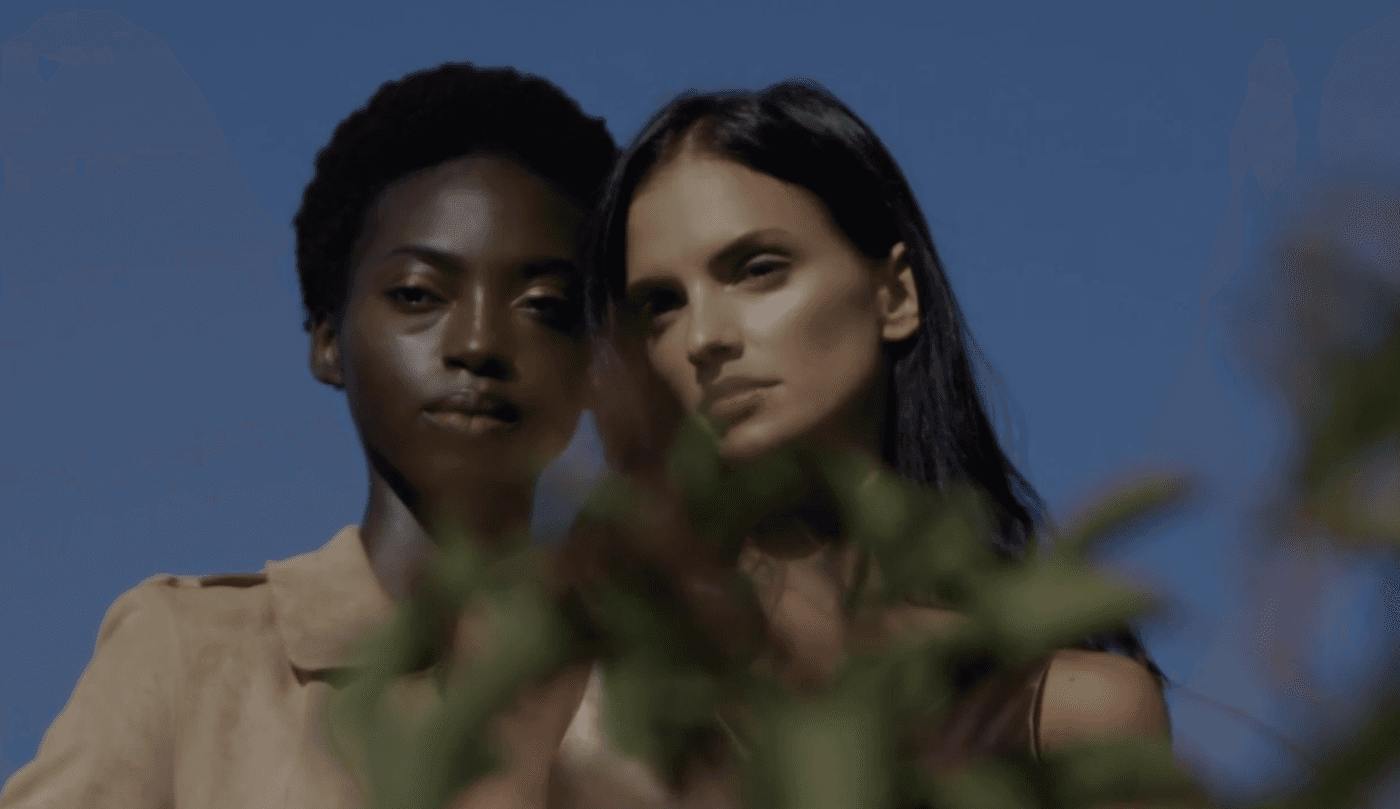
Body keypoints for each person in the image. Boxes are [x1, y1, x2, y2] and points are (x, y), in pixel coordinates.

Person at [551, 79, 1187, 808]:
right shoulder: (588, 697)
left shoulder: (1068, 713)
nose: (704, 337)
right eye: (660, 306)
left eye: (758, 269)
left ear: (894, 294)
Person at [0, 63, 617, 809]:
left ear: (598, 365)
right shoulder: (189, 655)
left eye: (544, 304)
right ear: (329, 341)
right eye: (418, 295)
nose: (479, 341)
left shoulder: (671, 691)